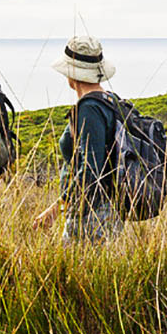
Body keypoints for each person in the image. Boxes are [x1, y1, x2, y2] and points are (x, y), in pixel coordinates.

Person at [33, 35, 124, 243]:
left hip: (91, 213)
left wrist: (55, 209)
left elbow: (90, 171)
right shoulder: (110, 101)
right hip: (108, 209)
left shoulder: (89, 108)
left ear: (71, 73)